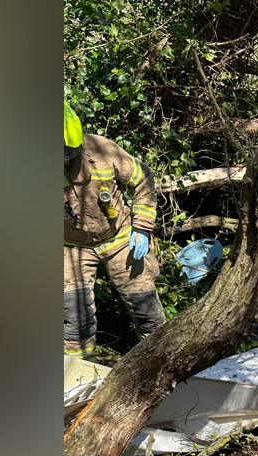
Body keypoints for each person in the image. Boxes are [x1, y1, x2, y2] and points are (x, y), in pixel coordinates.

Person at [63, 100, 166, 359]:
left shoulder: (102, 151)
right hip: (71, 246)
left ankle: (160, 363)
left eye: (69, 153)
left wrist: (142, 228)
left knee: (146, 307)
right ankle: (78, 377)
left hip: (119, 238)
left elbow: (143, 181)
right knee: (74, 318)